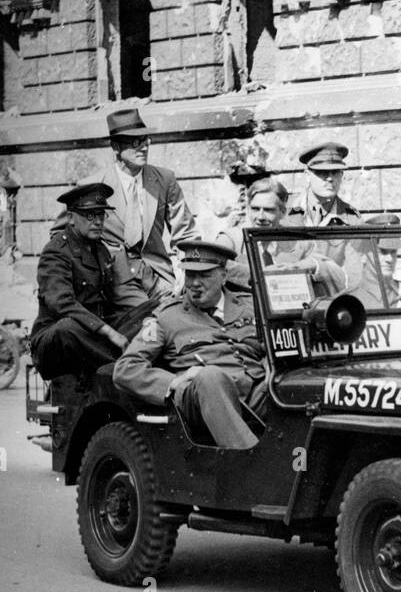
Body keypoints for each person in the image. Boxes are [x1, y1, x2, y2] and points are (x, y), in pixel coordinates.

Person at [113, 239, 267, 451]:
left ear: (223, 275)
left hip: (254, 393)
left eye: (204, 275)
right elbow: (126, 369)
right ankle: (248, 463)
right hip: (202, 399)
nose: (194, 283)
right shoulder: (167, 317)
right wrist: (174, 381)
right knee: (209, 376)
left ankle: (303, 464)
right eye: (190, 275)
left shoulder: (251, 306)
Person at [30, 183, 158, 381]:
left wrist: (132, 320)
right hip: (56, 341)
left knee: (153, 308)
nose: (98, 221)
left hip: (94, 335)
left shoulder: (100, 250)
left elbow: (108, 300)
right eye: (90, 215)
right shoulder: (55, 251)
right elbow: (62, 304)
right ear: (71, 218)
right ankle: (128, 367)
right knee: (68, 328)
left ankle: (130, 360)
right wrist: (110, 333)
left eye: (101, 215)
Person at [91, 108, 196, 300]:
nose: (144, 147)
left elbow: (186, 233)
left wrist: (186, 270)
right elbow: (64, 236)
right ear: (115, 147)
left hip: (159, 277)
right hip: (112, 281)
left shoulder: (164, 179)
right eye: (134, 142)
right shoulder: (94, 186)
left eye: (146, 140)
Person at [287, 142, 359, 228]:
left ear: (341, 175)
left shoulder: (352, 220)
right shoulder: (284, 210)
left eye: (335, 172)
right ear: (307, 175)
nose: (330, 178)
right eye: (323, 172)